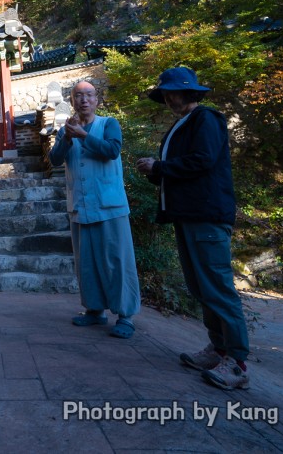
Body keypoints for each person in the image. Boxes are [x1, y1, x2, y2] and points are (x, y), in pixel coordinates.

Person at [134, 67, 250, 390]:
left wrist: (160, 167)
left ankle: (237, 362)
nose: (170, 99)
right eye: (167, 94)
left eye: (175, 92)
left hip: (207, 214)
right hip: (188, 214)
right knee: (200, 286)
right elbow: (183, 167)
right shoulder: (182, 124)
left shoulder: (206, 120)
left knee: (217, 285)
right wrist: (155, 171)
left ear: (190, 93)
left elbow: (203, 160)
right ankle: (219, 348)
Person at [49, 81, 141, 338]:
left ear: (97, 99)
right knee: (86, 263)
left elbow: (112, 150)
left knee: (117, 261)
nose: (84, 100)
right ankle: (94, 310)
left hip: (110, 205)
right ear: (72, 100)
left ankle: (126, 316)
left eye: (88, 95)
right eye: (78, 96)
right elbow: (55, 160)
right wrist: (67, 137)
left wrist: (84, 136)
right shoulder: (65, 130)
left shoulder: (108, 124)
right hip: (80, 205)